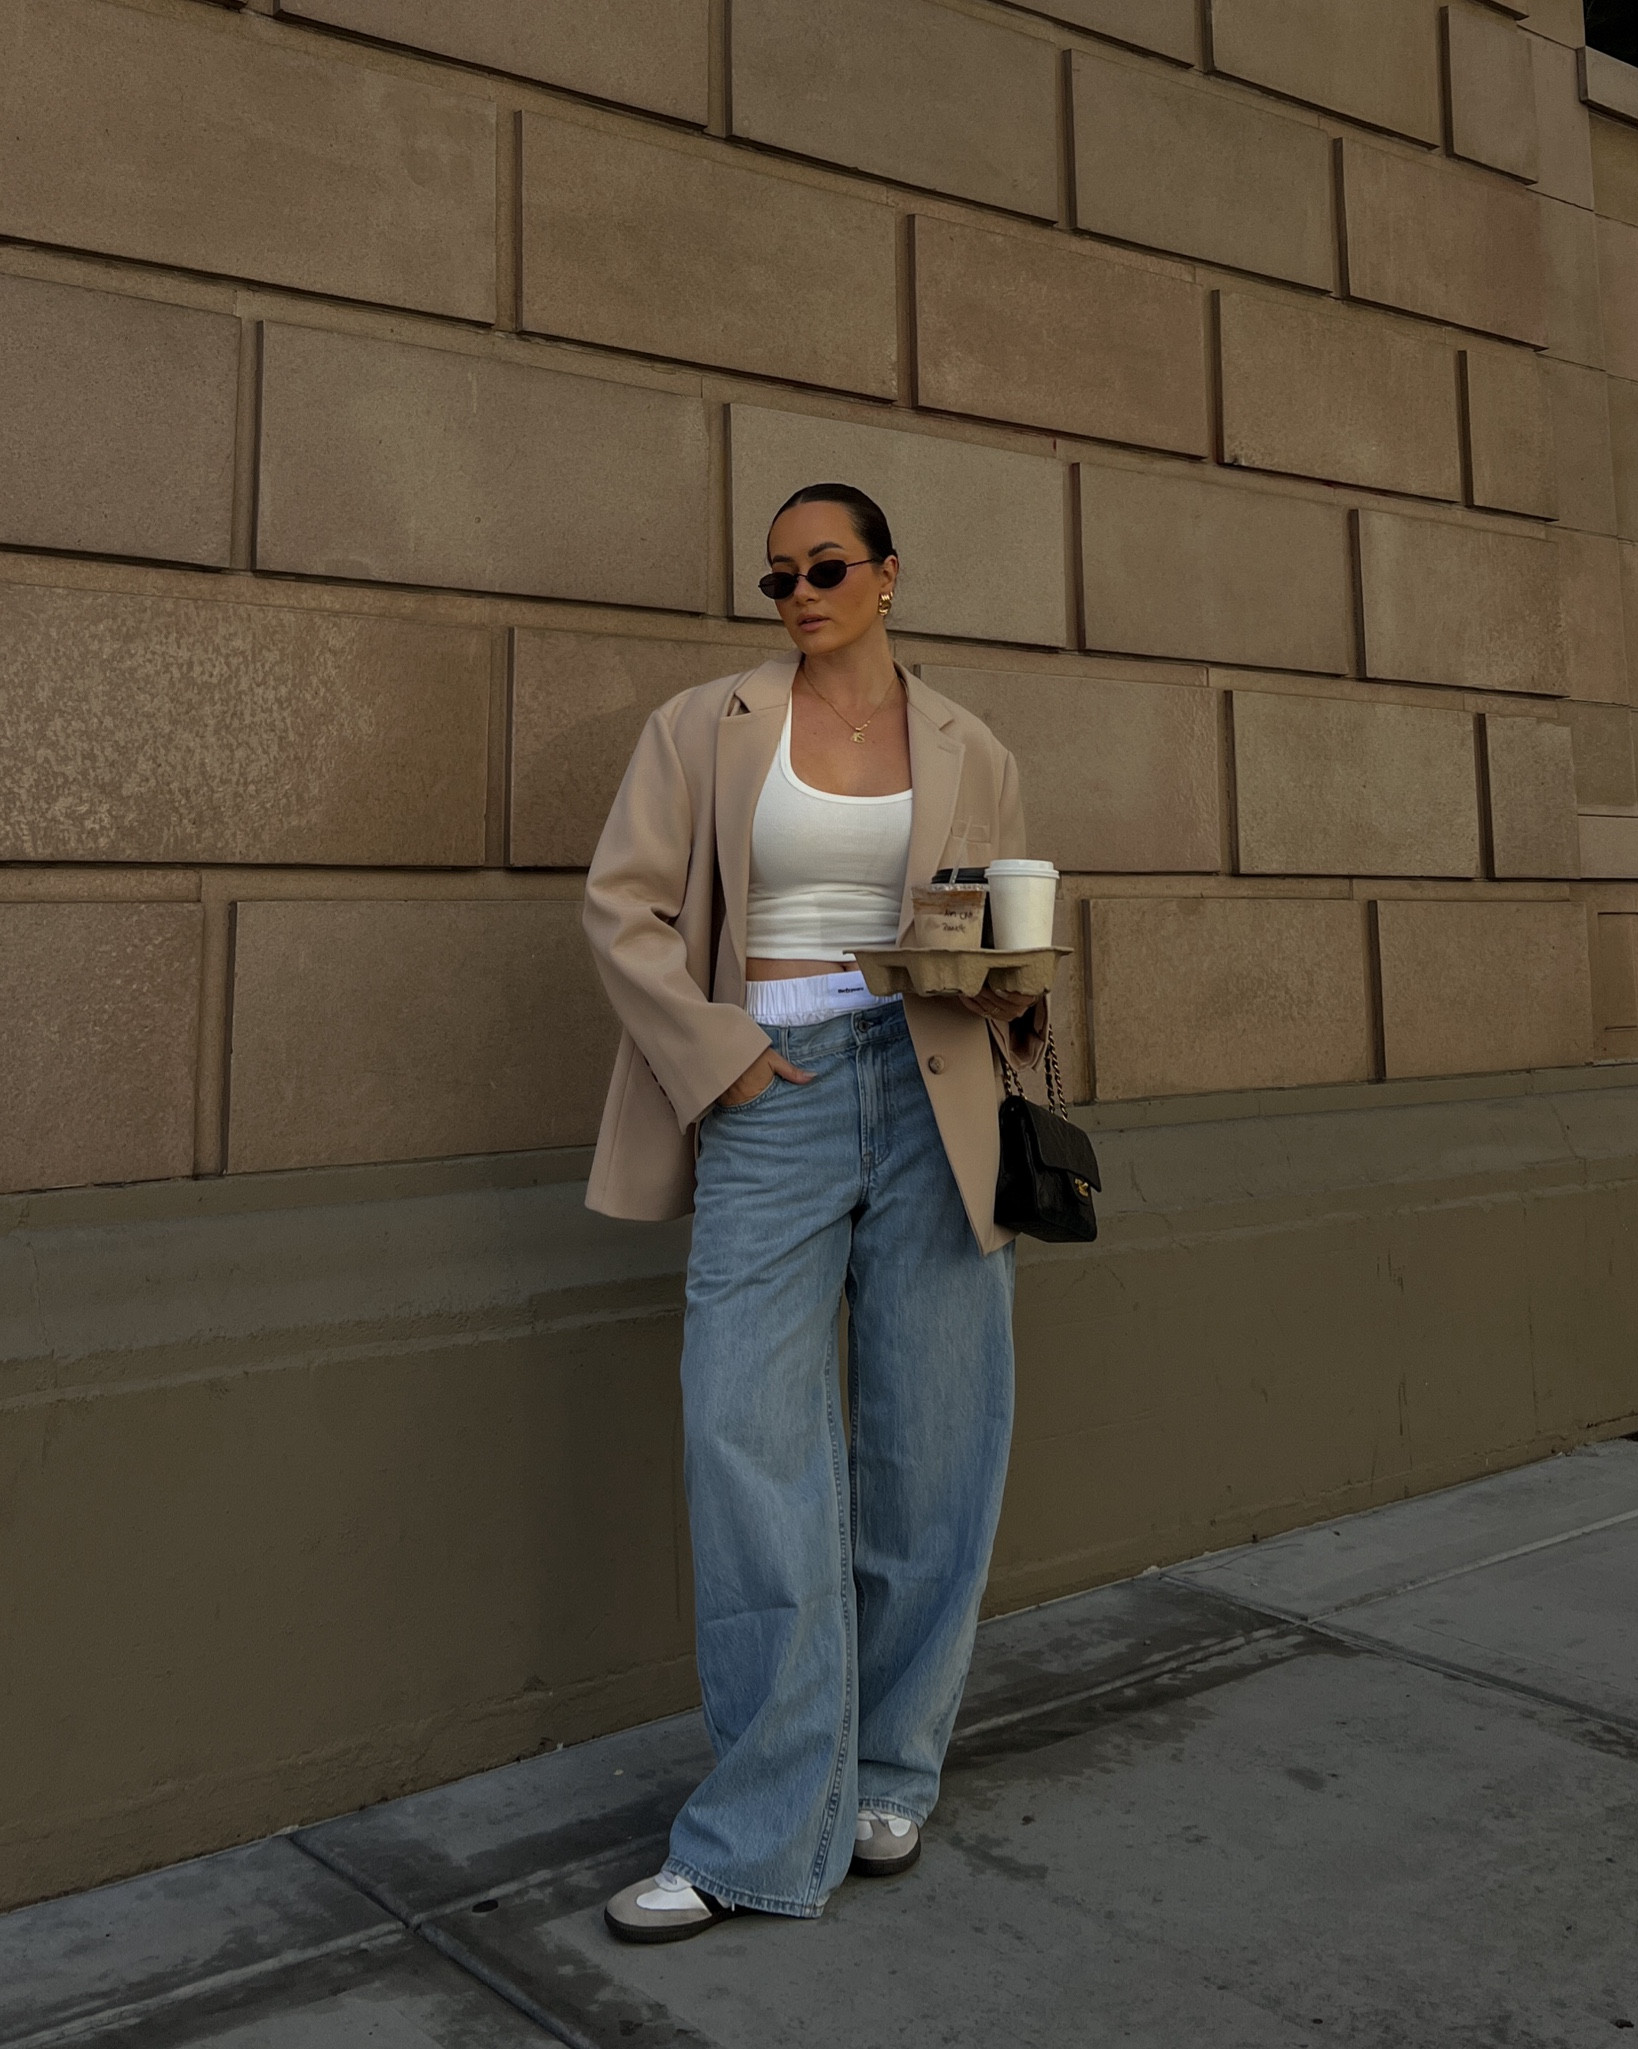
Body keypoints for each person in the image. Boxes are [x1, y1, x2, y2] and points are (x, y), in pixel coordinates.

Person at [582, 483, 1046, 1942]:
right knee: (746, 1430)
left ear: (890, 574)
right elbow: (624, 905)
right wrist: (722, 1063)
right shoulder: (707, 724)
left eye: (826, 566)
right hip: (767, 1084)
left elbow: (1012, 934)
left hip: (934, 1083)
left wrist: (1015, 983)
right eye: (776, 575)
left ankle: (892, 1768)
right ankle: (760, 1829)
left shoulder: (975, 747)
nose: (798, 593)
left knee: (935, 1440)